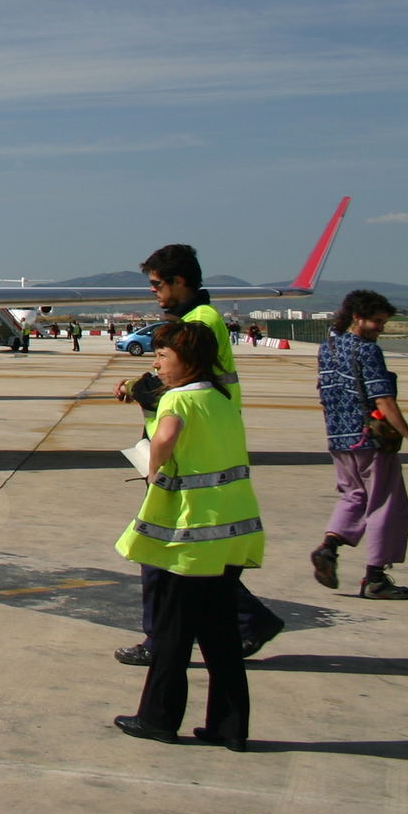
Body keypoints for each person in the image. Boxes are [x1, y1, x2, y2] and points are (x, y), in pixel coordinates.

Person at [111, 243, 282, 665]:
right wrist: (141, 383)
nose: (153, 292)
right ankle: (246, 622)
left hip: (188, 445)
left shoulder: (200, 321)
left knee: (161, 546)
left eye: (156, 284)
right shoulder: (193, 319)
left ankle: (163, 640)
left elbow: (185, 380)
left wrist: (139, 390)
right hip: (199, 437)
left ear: (178, 282)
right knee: (190, 548)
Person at [112, 320, 259, 750]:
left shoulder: (177, 399)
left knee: (174, 631)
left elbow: (167, 436)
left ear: (187, 362)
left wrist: (155, 468)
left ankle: (158, 717)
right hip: (234, 530)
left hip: (192, 534)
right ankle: (229, 727)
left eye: (163, 357)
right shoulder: (223, 398)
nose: (156, 363)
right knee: (221, 635)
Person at [311, 290, 408, 599]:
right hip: (370, 438)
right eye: (377, 322)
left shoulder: (327, 348)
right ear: (357, 317)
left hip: (338, 439)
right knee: (385, 503)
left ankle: (329, 547)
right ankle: (375, 577)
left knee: (353, 497)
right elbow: (384, 400)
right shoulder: (367, 351)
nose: (380, 328)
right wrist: (406, 432)